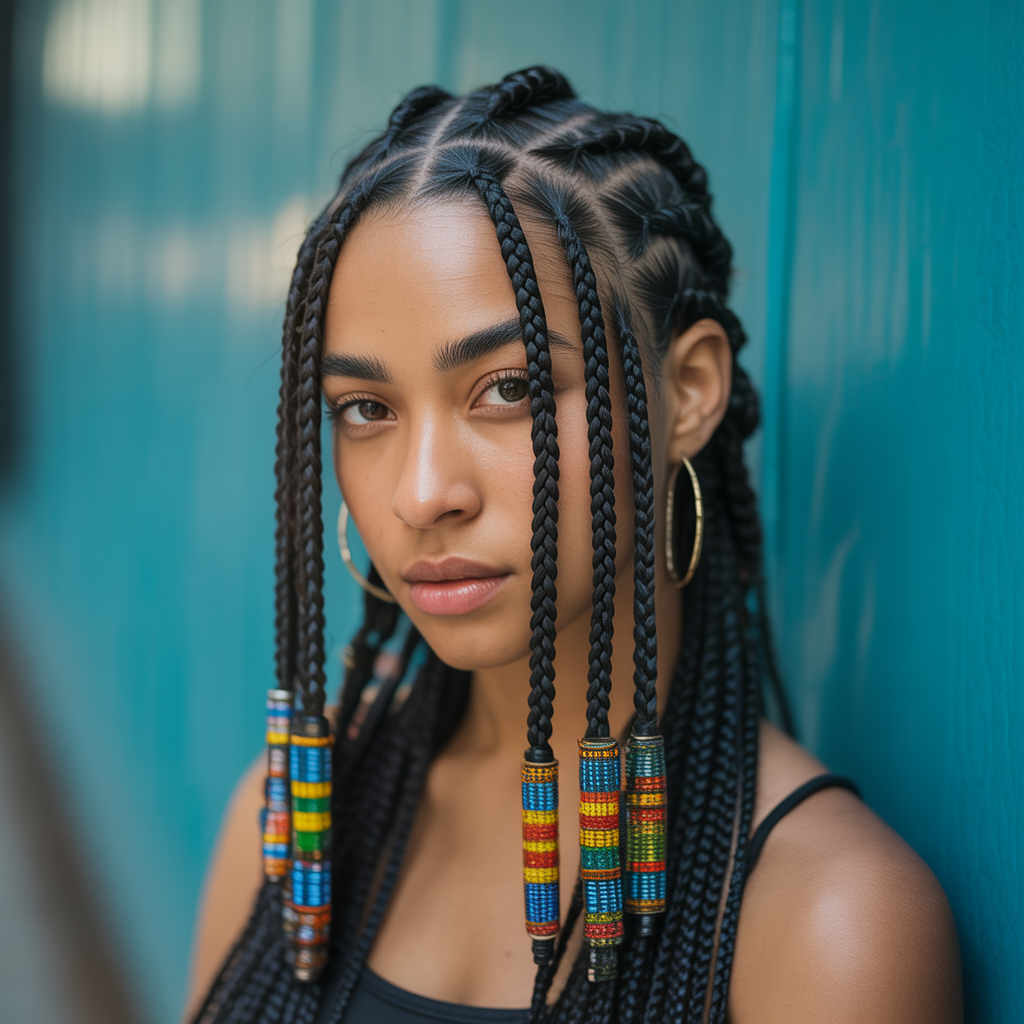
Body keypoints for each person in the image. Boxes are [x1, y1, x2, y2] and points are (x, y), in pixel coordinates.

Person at [186, 67, 962, 1024]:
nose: (423, 493)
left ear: (688, 393)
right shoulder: (297, 818)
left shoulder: (828, 924)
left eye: (508, 388)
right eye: (366, 409)